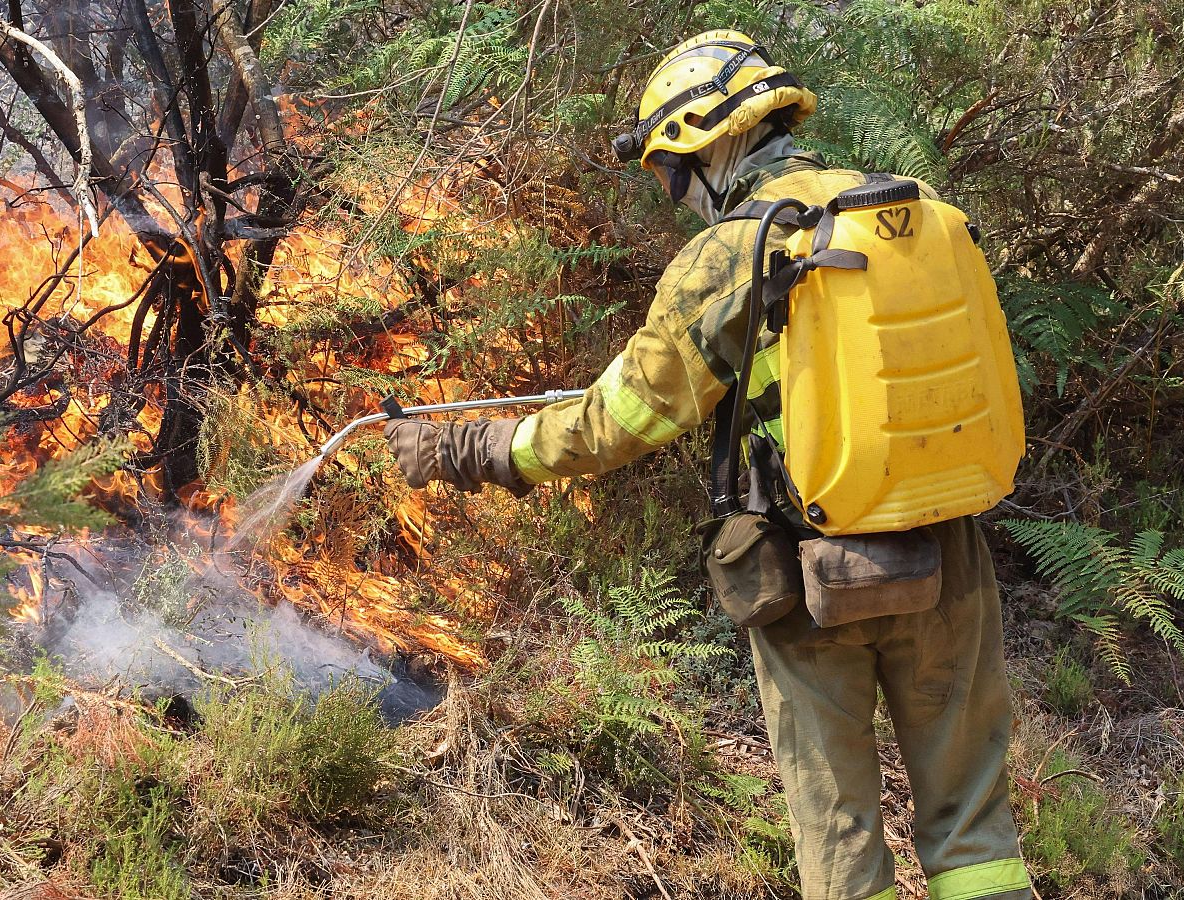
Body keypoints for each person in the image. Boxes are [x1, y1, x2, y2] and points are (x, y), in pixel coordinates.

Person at [382, 30, 1033, 900]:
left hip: (812, 577)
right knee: (976, 837)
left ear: (703, 142)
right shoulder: (911, 214)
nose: (670, 190)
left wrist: (475, 448)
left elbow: (620, 421)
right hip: (951, 553)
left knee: (841, 840)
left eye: (667, 168)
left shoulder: (734, 249)